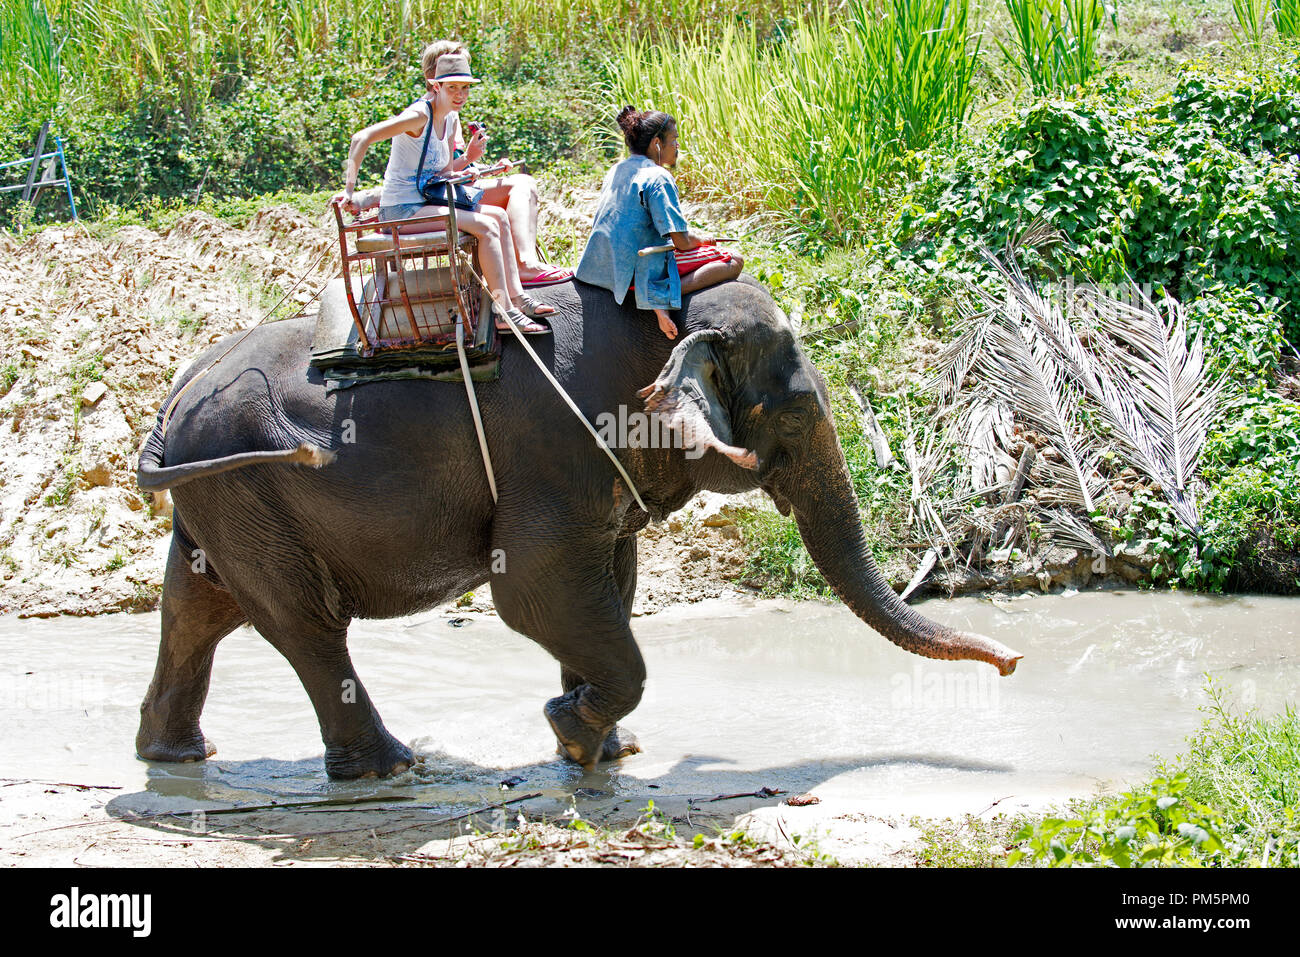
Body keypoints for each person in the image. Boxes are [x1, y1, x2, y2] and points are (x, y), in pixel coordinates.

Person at [336, 49, 553, 334]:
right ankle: (503, 311)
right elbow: (360, 138)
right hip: (402, 210)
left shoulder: (450, 118)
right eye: (452, 88)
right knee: (485, 226)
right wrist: (349, 189)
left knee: (498, 216)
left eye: (464, 88)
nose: (460, 95)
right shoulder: (418, 116)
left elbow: (444, 174)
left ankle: (516, 297)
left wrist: (469, 161)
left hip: (427, 201)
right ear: (435, 85)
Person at [575, 106, 742, 340]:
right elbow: (681, 242)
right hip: (638, 269)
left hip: (606, 265)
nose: (677, 147)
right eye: (674, 140)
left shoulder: (616, 169)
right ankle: (659, 294)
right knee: (733, 259)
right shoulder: (658, 177)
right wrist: (703, 239)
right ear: (656, 143)